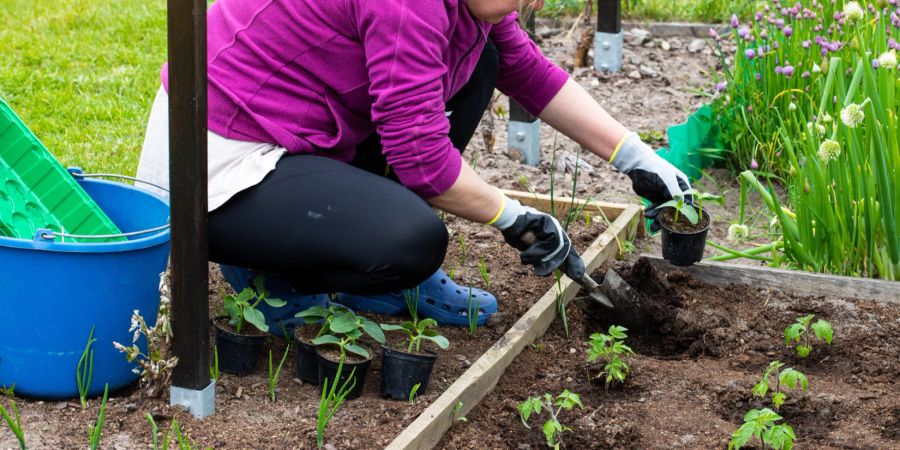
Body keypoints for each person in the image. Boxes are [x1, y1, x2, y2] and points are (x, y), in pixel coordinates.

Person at [136, 0, 690, 330]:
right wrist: (515, 218)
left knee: (484, 62)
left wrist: (636, 157)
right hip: (216, 172)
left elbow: (525, 69)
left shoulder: (470, 7)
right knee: (412, 241)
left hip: (292, 142)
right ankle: (273, 274)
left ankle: (342, 258)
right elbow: (421, 159)